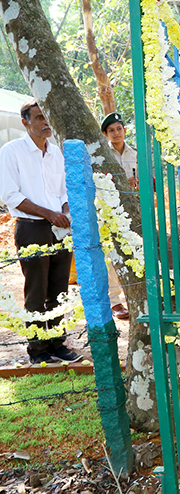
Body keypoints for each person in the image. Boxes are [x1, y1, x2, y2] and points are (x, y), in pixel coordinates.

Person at [0, 99, 81, 364]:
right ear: (25, 122)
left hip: (60, 229)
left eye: (47, 117)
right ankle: (37, 350)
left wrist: (66, 211)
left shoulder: (56, 152)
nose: (45, 123)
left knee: (59, 290)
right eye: (38, 118)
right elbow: (10, 196)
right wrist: (50, 214)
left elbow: (64, 190)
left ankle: (58, 344)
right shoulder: (12, 151)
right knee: (36, 290)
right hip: (31, 228)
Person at [101, 112, 136, 320]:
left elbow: (145, 181)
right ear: (106, 134)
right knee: (112, 256)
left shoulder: (135, 153)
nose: (116, 133)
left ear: (124, 130)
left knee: (133, 254)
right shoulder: (103, 154)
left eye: (119, 129)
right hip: (109, 212)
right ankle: (115, 301)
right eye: (111, 130)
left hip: (132, 211)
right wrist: (123, 184)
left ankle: (135, 298)